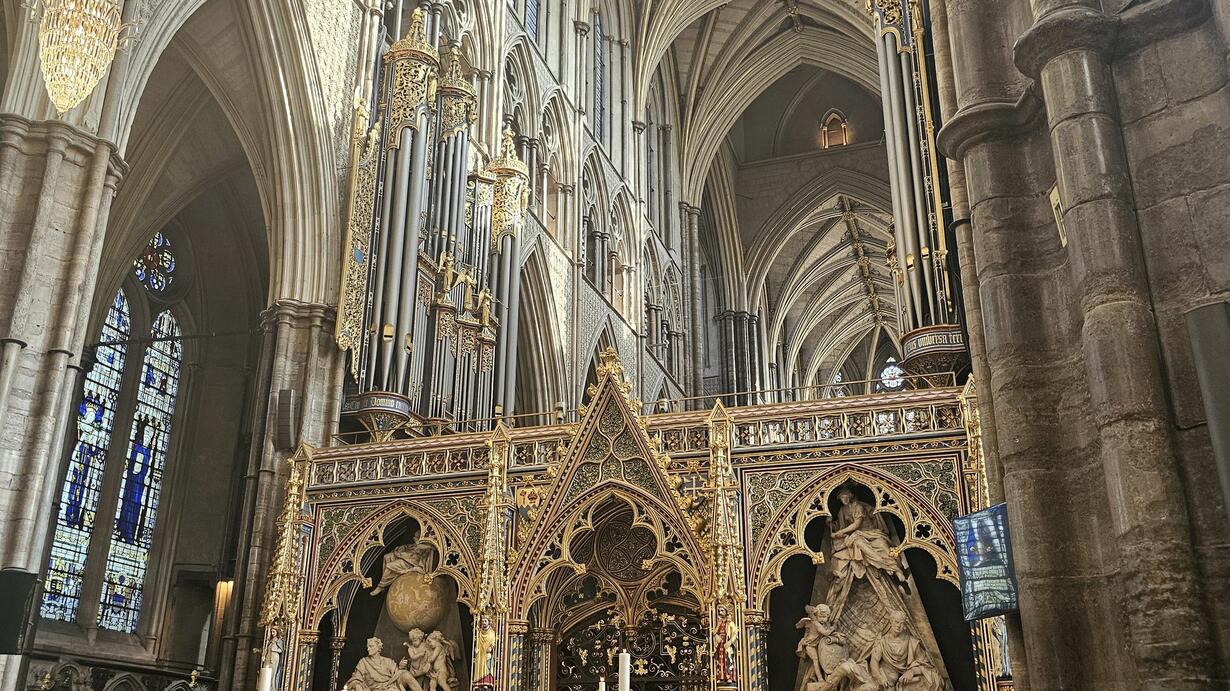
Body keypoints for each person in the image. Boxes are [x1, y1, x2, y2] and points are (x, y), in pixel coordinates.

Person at [868, 612, 942, 691]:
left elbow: (926, 665)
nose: (898, 625)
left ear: (905, 625)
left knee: (933, 680)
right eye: (896, 622)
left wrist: (912, 671)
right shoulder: (882, 641)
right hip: (881, 675)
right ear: (891, 622)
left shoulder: (912, 642)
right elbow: (874, 661)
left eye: (902, 623)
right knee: (869, 687)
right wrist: (879, 677)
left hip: (895, 680)